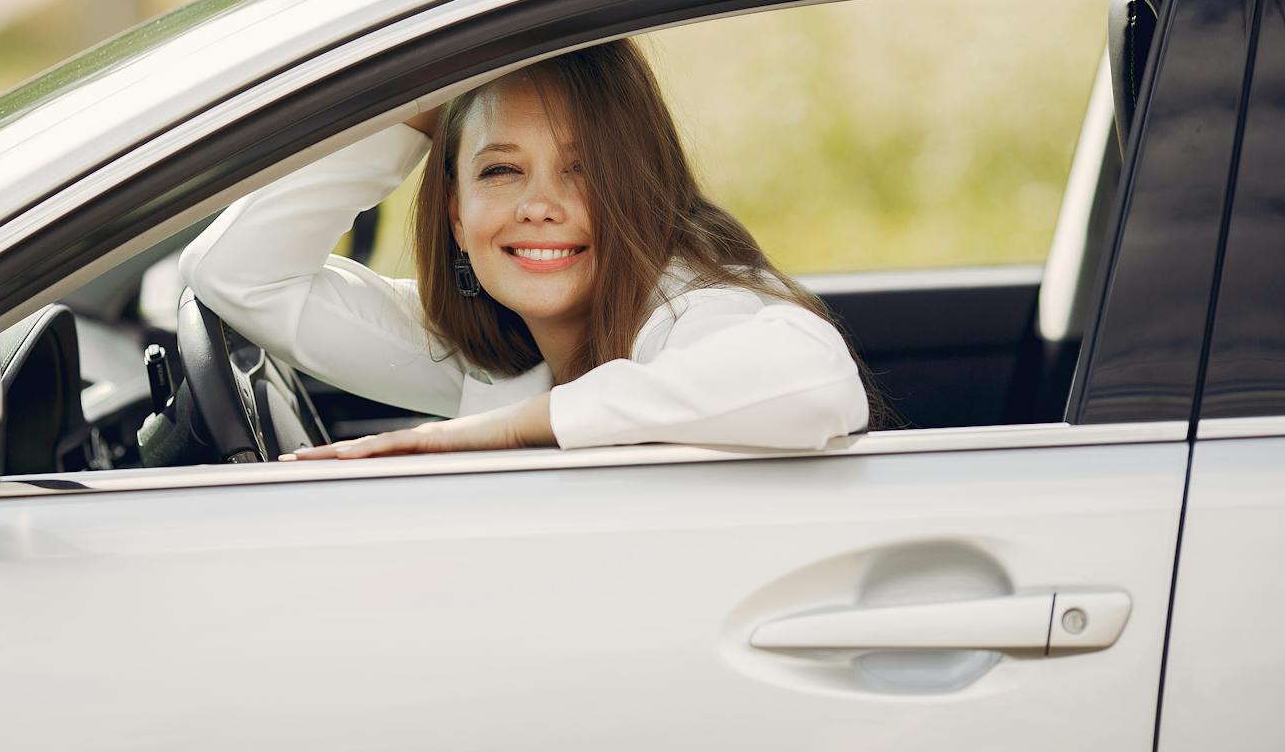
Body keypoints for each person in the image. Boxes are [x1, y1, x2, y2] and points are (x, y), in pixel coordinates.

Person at [179, 38, 872, 461]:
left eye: (584, 168)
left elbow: (811, 379)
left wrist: (491, 436)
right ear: (456, 215)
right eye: (501, 170)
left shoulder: (690, 302)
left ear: (639, 187)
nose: (540, 204)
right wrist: (420, 109)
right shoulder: (489, 353)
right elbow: (236, 274)